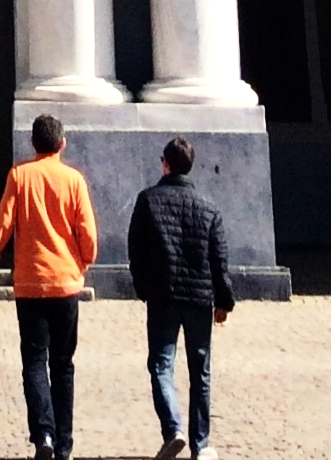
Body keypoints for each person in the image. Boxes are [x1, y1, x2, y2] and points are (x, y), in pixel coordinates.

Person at [0, 111, 98, 460]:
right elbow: (87, 233)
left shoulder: (20, 176)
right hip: (65, 284)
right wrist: (84, 261)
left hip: (30, 284)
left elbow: (2, 226)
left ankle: (42, 435)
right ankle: (64, 445)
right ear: (62, 143)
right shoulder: (74, 180)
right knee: (63, 365)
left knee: (34, 361)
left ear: (32, 143)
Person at [125, 137, 234, 460]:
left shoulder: (148, 201)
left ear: (165, 163)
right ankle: (201, 446)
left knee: (161, 365)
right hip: (200, 300)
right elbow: (219, 259)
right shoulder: (208, 207)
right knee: (200, 370)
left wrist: (143, 287)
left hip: (163, 296)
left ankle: (173, 429)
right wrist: (224, 301)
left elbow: (136, 250)